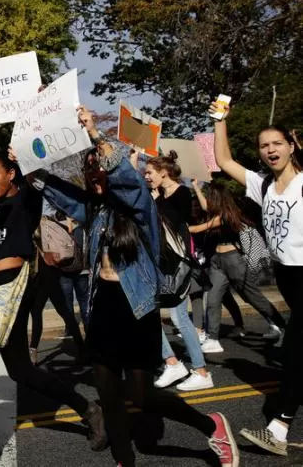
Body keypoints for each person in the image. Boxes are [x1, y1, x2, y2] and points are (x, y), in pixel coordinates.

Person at [39, 107, 239, 467]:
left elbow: (128, 182)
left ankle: (210, 425)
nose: (95, 174)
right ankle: (123, 460)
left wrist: (97, 137)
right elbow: (63, 197)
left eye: (99, 167)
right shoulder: (96, 210)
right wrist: (30, 168)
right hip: (102, 309)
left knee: (141, 395)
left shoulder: (140, 208)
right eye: (90, 169)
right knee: (108, 393)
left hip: (136, 309)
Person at [0, 102, 105, 460]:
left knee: (19, 370)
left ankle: (87, 408)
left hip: (14, 290)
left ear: (12, 175)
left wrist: (36, 119)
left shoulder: (27, 200)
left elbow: (36, 168)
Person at [211, 107, 302, 457]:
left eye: (277, 143)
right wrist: (220, 120)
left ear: (291, 146)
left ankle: (278, 426)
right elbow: (223, 159)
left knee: (293, 352)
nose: (270, 149)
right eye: (264, 145)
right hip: (287, 275)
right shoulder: (262, 184)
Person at [143, 153, 213, 392]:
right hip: (162, 264)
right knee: (150, 314)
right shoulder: (160, 195)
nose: (147, 176)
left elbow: (175, 223)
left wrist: (154, 203)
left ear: (164, 172)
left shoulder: (181, 193)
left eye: (149, 172)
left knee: (178, 317)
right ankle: (175, 363)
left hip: (178, 265)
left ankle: (200, 371)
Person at [191, 181, 286, 354]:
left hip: (233, 260)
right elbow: (205, 207)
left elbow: (199, 229)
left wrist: (181, 228)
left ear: (217, 199)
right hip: (216, 262)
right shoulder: (217, 213)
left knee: (253, 297)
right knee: (212, 299)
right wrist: (195, 186)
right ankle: (213, 339)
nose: (208, 201)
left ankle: (281, 326)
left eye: (210, 197)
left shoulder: (226, 216)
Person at [27, 202, 88, 364]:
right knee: (48, 311)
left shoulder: (38, 224)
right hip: (45, 276)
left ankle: (34, 350)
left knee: (61, 312)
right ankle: (81, 348)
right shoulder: (47, 222)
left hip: (48, 276)